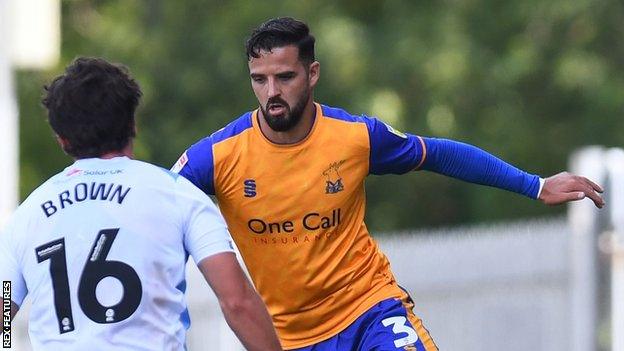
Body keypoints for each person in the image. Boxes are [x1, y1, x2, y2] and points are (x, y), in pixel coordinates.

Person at [171, 18, 605, 351]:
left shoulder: (355, 137)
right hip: (287, 337)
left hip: (368, 310)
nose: (272, 93)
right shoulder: (217, 156)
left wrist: (535, 185)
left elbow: (439, 153)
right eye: (259, 79)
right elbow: (153, 206)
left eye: (285, 77)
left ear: (313, 73)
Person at [0, 57, 282, 351]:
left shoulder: (27, 215)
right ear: (132, 123)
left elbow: (4, 312)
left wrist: (7, 342)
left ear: (62, 139)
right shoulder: (179, 195)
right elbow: (237, 302)